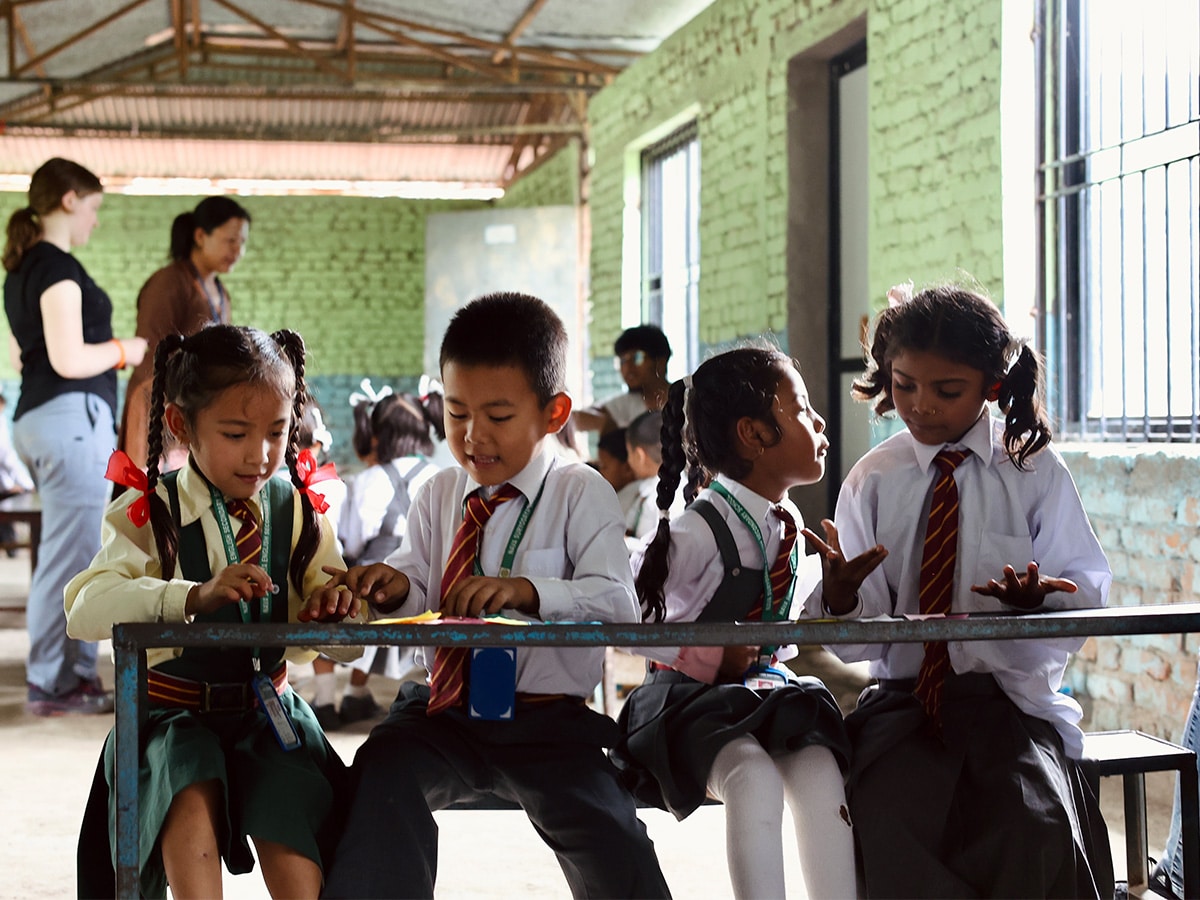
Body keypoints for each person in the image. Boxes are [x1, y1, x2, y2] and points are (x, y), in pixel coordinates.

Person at [318, 291, 671, 899]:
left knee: (615, 837)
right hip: (444, 713)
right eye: (456, 414)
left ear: (554, 412)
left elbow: (617, 604)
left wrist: (527, 591)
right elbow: (418, 582)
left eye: (498, 417)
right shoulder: (437, 493)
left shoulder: (579, 492)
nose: (473, 436)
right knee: (376, 780)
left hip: (547, 722)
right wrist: (393, 585)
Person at [802, 283, 1115, 897]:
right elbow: (858, 641)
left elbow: (1084, 593)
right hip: (903, 705)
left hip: (1008, 705)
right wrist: (840, 598)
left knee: (1033, 827)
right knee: (890, 821)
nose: (921, 406)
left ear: (991, 387)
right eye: (904, 385)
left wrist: (1042, 600)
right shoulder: (873, 479)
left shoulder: (1032, 470)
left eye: (947, 391)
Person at [64, 324, 365, 898]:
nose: (260, 455)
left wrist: (334, 616)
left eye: (277, 432)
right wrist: (189, 596)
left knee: (293, 818)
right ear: (181, 424)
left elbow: (344, 642)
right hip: (173, 721)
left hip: (268, 711)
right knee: (188, 792)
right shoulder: (149, 509)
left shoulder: (300, 512)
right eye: (235, 433)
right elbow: (84, 609)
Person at [612, 346, 881, 900]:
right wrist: (707, 654)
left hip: (762, 694)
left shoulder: (785, 519)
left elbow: (784, 605)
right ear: (753, 435)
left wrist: (832, 595)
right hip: (686, 707)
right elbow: (623, 613)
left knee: (819, 763)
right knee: (752, 777)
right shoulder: (699, 529)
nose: (820, 422)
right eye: (803, 410)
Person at [2, 157, 148, 716]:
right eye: (92, 208)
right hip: (69, 418)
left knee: (66, 551)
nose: (94, 221)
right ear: (68, 201)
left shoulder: (22, 271)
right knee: (71, 557)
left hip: (41, 417)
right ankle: (54, 681)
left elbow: (24, 355)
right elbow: (67, 358)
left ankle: (65, 675)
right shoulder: (57, 269)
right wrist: (125, 350)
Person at [311, 390, 444, 730]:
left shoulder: (366, 480)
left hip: (371, 579)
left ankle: (325, 700)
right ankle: (357, 693)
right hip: (427, 587)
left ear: (379, 435)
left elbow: (351, 540)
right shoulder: (440, 479)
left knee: (336, 593)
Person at [118, 195, 251, 472]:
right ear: (201, 236)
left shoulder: (221, 293)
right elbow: (151, 353)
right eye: (230, 240)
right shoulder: (169, 282)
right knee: (152, 502)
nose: (238, 250)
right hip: (156, 405)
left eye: (242, 242)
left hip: (196, 408)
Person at [574, 324, 672, 435]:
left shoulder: (685, 400)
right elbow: (574, 419)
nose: (627, 368)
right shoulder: (625, 404)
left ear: (660, 363)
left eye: (637, 357)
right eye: (622, 361)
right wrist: (605, 423)